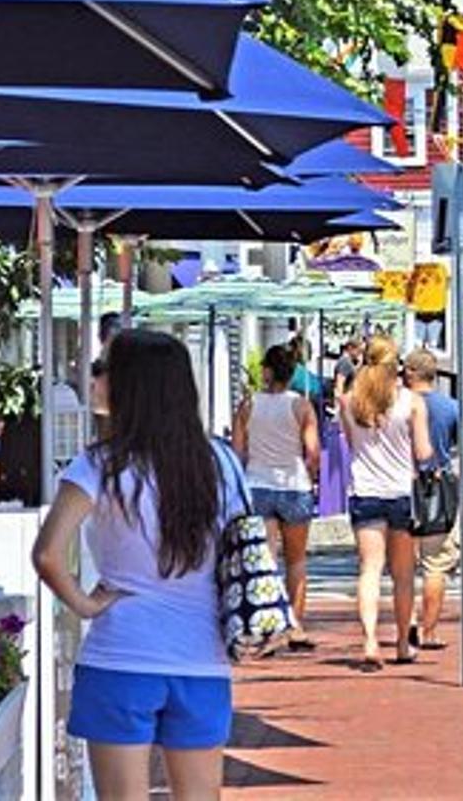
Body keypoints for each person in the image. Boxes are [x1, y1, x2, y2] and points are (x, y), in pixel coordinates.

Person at [33, 330, 246, 800]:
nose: (91, 379)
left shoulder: (99, 466)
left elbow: (48, 554)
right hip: (201, 657)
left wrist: (86, 606)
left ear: (132, 385)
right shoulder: (220, 463)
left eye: (101, 369)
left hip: (120, 654)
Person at [343, 336, 435, 670]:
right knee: (403, 574)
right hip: (400, 492)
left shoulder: (349, 401)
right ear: (394, 364)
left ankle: (369, 640)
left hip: (364, 491)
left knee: (369, 569)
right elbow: (423, 452)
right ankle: (401, 642)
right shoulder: (410, 401)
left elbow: (353, 444)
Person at [233, 344, 320, 651]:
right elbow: (312, 451)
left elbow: (238, 450)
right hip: (294, 485)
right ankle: (295, 625)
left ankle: (266, 624)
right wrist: (312, 476)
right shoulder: (302, 406)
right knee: (296, 560)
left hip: (258, 484)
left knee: (265, 560)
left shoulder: (247, 405)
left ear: (266, 371)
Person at [404, 349, 461, 651]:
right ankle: (429, 631)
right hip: (436, 489)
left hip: (400, 486)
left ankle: (408, 622)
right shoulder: (451, 407)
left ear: (410, 372)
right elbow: (460, 444)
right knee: (434, 565)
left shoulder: (396, 405)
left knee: (403, 565)